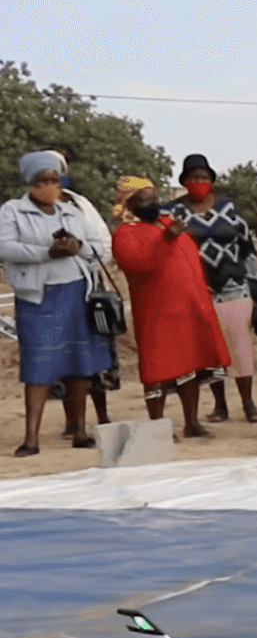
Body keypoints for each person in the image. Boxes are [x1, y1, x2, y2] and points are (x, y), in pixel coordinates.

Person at [0, 152, 111, 455]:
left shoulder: (71, 212)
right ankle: (31, 438)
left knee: (79, 365)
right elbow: (5, 247)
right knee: (39, 365)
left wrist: (78, 246)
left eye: (54, 180)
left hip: (76, 292)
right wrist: (47, 252)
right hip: (39, 297)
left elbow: (100, 247)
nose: (50, 186)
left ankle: (79, 431)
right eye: (43, 181)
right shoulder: (13, 211)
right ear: (31, 183)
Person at [113, 180, 235, 440]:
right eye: (145, 199)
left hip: (189, 305)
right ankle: (157, 426)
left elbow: (189, 261)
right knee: (157, 369)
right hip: (156, 311)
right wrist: (166, 240)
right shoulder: (125, 233)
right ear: (130, 204)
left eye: (155, 197)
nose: (153, 203)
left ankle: (192, 423)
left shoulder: (168, 223)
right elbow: (140, 265)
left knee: (190, 364)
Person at [166, 154, 257, 424]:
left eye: (204, 178)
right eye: (194, 178)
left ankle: (248, 403)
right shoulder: (172, 212)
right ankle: (220, 405)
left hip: (234, 285)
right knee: (209, 351)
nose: (199, 182)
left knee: (239, 347)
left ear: (212, 181)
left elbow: (248, 248)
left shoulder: (230, 209)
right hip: (196, 289)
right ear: (185, 181)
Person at [49, 149, 119, 436]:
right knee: (65, 355)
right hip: (52, 290)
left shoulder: (82, 205)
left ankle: (102, 417)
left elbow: (103, 242)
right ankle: (72, 422)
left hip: (89, 289)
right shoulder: (25, 209)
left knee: (95, 351)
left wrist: (81, 252)